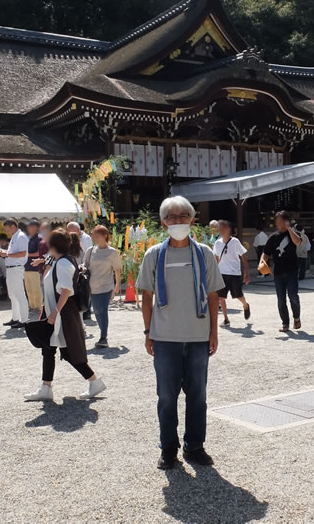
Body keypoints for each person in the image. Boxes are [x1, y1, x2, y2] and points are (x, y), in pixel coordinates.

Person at [137, 196, 224, 470]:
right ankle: (168, 448)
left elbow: (212, 294)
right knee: (166, 397)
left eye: (182, 216)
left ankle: (195, 446)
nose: (177, 221)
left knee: (198, 396)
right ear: (163, 223)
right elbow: (146, 296)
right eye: (172, 217)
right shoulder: (153, 255)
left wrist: (214, 331)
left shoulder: (204, 254)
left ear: (192, 220)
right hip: (164, 338)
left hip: (198, 336)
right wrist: (148, 331)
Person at [24, 229, 106, 402]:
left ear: (53, 245)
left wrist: (54, 313)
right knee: (49, 349)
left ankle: (94, 381)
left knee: (68, 352)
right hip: (57, 312)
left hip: (61, 313)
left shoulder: (62, 263)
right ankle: (46, 388)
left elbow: (66, 290)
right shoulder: (59, 260)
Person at [262, 211, 303, 332]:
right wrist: (262, 263)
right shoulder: (273, 237)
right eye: (277, 222)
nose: (278, 224)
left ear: (287, 221)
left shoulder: (292, 234)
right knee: (281, 299)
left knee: (293, 296)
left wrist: (289, 229)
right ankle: (285, 323)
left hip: (292, 270)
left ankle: (296, 318)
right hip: (278, 272)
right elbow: (265, 253)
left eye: (281, 221)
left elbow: (298, 242)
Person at [84, 225, 121, 348]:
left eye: (97, 235)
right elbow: (85, 264)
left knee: (103, 310)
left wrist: (117, 285)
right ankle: (102, 333)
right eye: (93, 235)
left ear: (105, 235)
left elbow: (117, 269)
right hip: (93, 286)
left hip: (106, 286)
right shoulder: (91, 250)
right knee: (97, 311)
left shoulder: (112, 252)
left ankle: (103, 337)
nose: (94, 237)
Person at [212, 220, 251, 325]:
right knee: (221, 297)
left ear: (229, 229)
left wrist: (246, 273)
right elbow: (216, 259)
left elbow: (244, 257)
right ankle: (226, 319)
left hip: (234, 273)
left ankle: (245, 305)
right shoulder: (217, 243)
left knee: (238, 295)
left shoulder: (235, 242)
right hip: (222, 273)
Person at [0, 219, 29, 327]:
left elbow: (23, 253)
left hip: (16, 268)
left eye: (6, 227)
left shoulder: (21, 236)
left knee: (19, 294)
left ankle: (24, 319)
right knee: (12, 294)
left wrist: (7, 254)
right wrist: (5, 253)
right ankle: (16, 317)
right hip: (11, 268)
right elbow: (14, 253)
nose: (5, 230)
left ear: (12, 226)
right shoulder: (15, 237)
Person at [24, 219, 44, 313]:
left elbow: (39, 253)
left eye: (31, 226)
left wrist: (26, 255)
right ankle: (31, 306)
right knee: (29, 289)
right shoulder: (28, 238)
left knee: (37, 289)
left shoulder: (39, 238)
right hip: (26, 267)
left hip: (35, 267)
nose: (29, 228)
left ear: (36, 227)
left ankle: (39, 307)